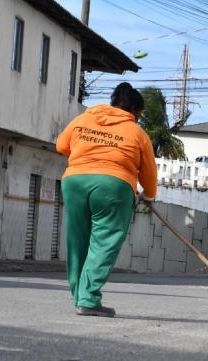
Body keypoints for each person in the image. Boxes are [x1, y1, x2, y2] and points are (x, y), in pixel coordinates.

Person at [56, 82, 157, 317]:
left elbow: (61, 145)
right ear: (134, 111)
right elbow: (149, 175)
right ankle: (88, 298)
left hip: (75, 181)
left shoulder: (84, 118)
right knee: (104, 242)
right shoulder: (137, 132)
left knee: (77, 239)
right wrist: (148, 196)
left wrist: (89, 152)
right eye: (139, 115)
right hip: (114, 186)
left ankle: (79, 295)